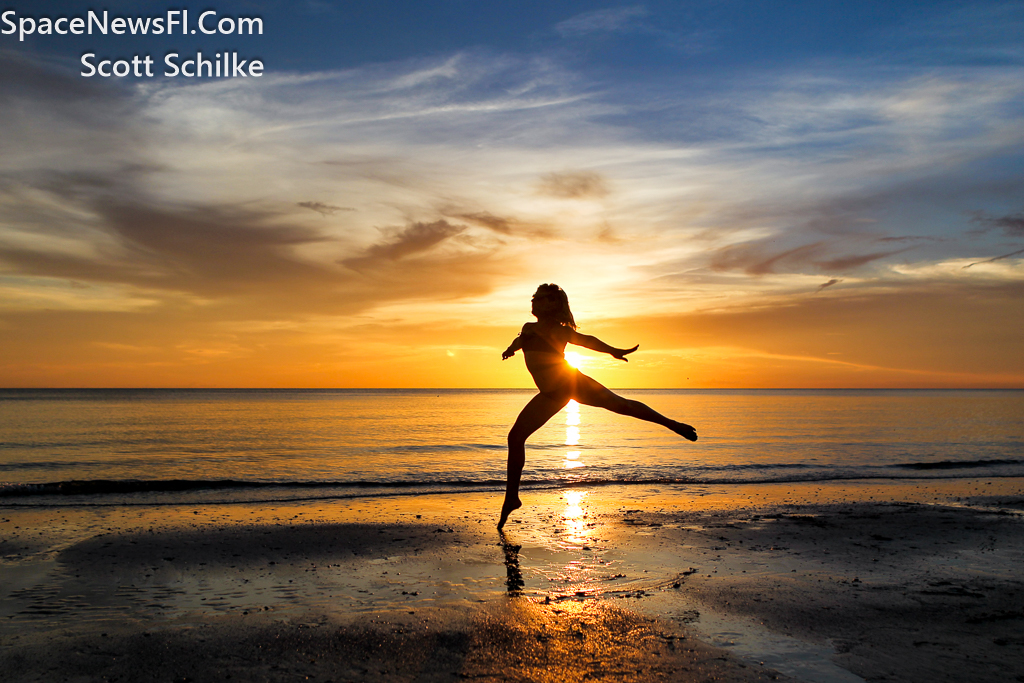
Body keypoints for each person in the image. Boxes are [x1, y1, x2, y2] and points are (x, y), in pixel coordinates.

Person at [498, 283, 697, 528]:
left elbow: (587, 340)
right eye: (534, 297)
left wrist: (612, 350)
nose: (534, 302)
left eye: (540, 299)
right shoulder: (529, 328)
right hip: (550, 394)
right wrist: (511, 349)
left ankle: (673, 424)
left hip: (571, 383)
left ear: (553, 304)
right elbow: (522, 340)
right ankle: (512, 498)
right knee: (515, 437)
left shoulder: (559, 330)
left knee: (621, 405)